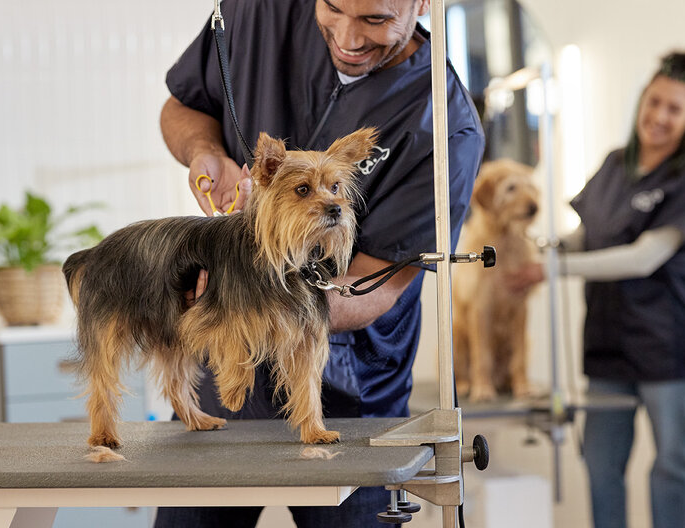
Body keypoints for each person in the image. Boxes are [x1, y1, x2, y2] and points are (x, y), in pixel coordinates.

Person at [154, 0, 485, 526]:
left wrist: (249, 307)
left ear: (423, 3)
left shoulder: (443, 126)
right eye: (333, 8)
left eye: (376, 20)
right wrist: (203, 150)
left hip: (347, 395)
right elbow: (183, 105)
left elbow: (376, 284)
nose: (348, 38)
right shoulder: (257, 12)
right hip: (224, 373)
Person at [512, 51, 685, 528]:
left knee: (671, 463)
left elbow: (644, 257)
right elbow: (589, 236)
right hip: (608, 342)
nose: (660, 116)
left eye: (674, 109)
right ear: (642, 101)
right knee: (600, 464)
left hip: (668, 344)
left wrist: (552, 269)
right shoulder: (614, 164)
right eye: (654, 102)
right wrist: (535, 246)